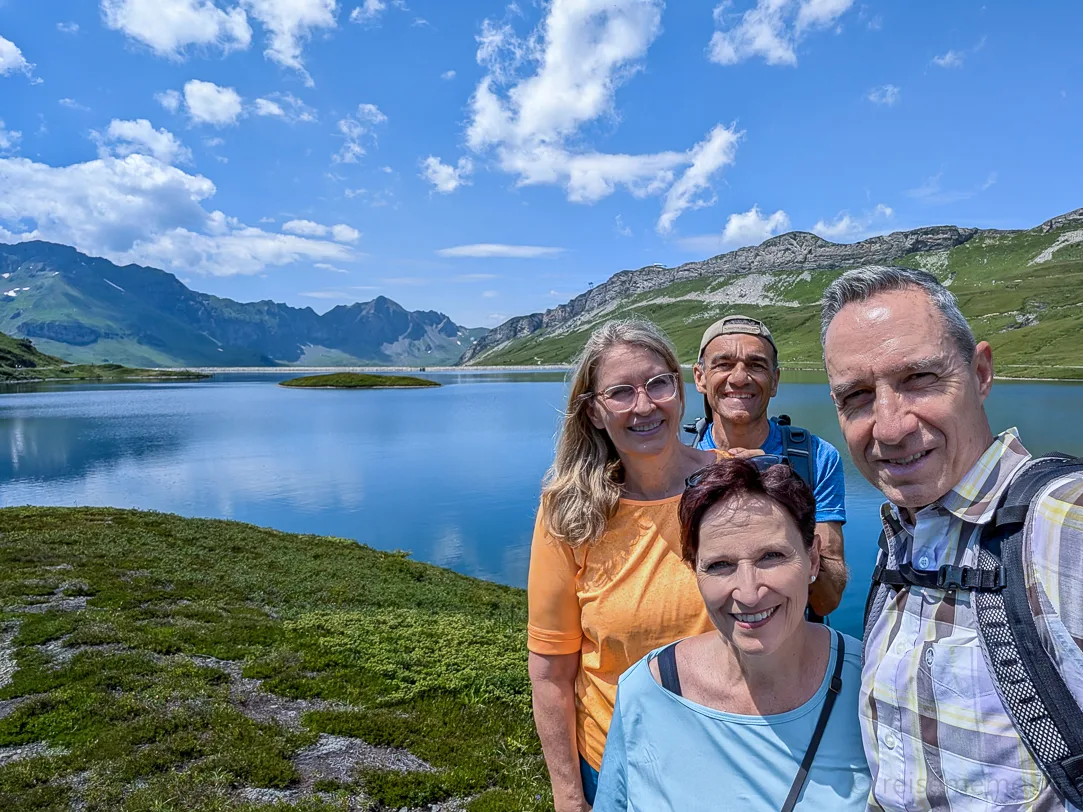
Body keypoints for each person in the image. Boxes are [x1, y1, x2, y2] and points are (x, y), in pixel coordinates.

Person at [821, 265, 1083, 810]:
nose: (889, 427)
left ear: (981, 372)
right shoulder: (903, 533)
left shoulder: (1063, 523)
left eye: (919, 379)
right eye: (858, 396)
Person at [528, 319, 727, 812]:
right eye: (620, 392)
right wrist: (570, 798)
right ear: (594, 412)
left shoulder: (734, 484)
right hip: (618, 764)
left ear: (680, 392)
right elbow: (551, 671)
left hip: (735, 751)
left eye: (658, 383)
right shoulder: (568, 512)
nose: (644, 405)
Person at [593, 457, 870, 811]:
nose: (749, 592)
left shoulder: (872, 684)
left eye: (771, 556)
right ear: (694, 570)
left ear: (813, 559)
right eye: (720, 565)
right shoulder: (646, 692)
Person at [692, 314, 849, 616]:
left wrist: (781, 499)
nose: (739, 378)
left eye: (756, 365)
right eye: (723, 364)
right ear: (700, 377)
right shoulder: (679, 460)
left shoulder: (815, 459)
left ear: (775, 380)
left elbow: (827, 600)